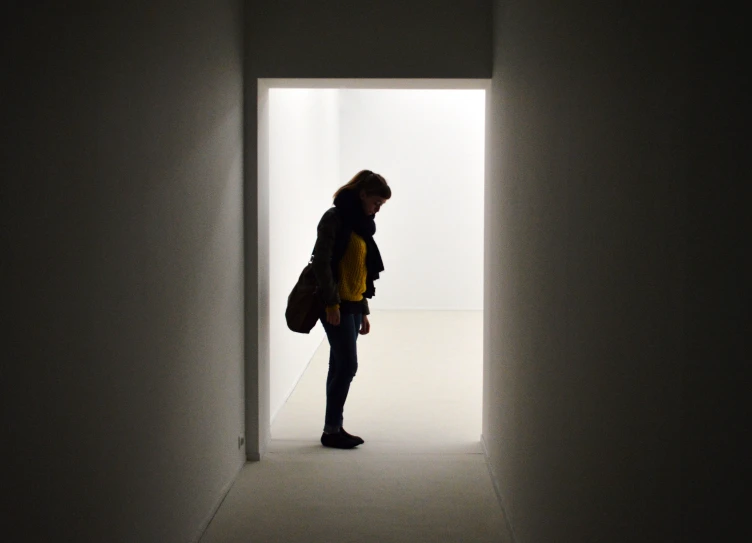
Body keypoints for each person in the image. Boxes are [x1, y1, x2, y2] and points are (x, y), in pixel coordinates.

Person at [311, 170, 391, 449]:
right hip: (337, 305)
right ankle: (332, 430)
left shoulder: (361, 224)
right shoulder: (335, 219)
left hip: (354, 304)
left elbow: (359, 272)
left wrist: (364, 309)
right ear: (362, 195)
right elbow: (322, 263)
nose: (377, 209)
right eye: (376, 203)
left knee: (339, 365)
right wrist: (332, 303)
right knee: (347, 365)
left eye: (381, 205)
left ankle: (332, 427)